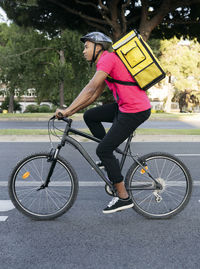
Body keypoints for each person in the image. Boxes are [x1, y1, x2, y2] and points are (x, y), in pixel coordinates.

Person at [55, 32, 151, 214]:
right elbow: (93, 95)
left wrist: (66, 110)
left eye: (86, 46)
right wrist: (72, 112)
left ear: (98, 47)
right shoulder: (105, 62)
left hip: (134, 110)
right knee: (90, 116)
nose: (84, 51)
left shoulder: (107, 60)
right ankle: (110, 158)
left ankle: (124, 198)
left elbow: (90, 87)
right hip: (125, 106)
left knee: (103, 150)